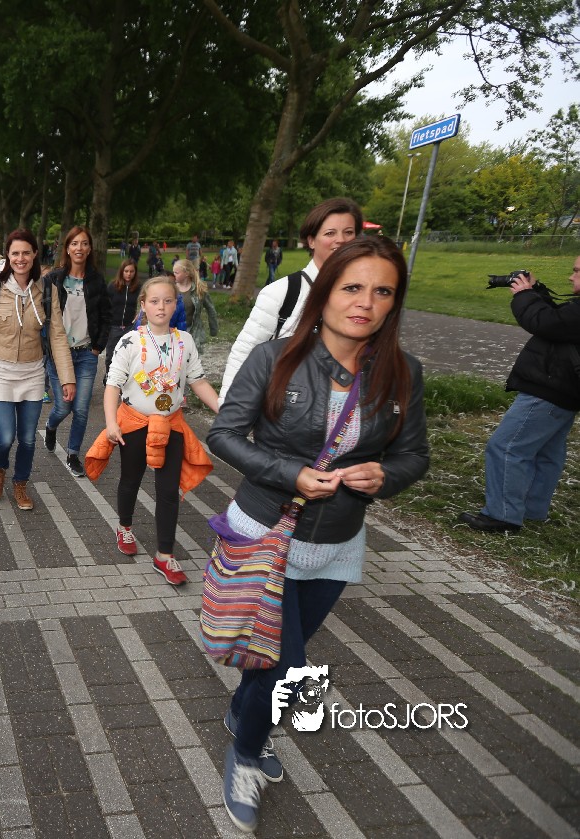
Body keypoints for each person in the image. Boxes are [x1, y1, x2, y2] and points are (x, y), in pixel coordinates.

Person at [206, 236, 429, 833]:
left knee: (269, 662)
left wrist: (385, 475)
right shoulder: (274, 358)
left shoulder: (403, 373)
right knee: (283, 667)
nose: (366, 303)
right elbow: (223, 435)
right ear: (326, 291)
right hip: (265, 531)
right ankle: (246, 756)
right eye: (352, 287)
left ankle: (242, 713)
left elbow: (414, 456)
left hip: (336, 545)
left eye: (383, 291)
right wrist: (291, 473)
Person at [85, 274, 219, 581]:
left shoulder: (184, 341)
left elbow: (198, 381)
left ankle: (165, 556)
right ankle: (125, 526)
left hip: (170, 424)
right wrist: (111, 423)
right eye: (155, 301)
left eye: (168, 301)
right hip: (134, 423)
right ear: (143, 304)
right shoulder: (130, 342)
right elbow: (112, 385)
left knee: (168, 490)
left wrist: (223, 410)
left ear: (176, 305)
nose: (161, 307)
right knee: (130, 480)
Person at [459, 258, 580, 532]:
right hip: (564, 393)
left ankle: (502, 515)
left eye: (576, 271)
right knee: (546, 453)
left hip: (547, 392)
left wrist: (524, 295)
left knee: (506, 447)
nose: (570, 277)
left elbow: (544, 322)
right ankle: (532, 510)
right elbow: (560, 323)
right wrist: (538, 292)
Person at [0, 229, 75, 511]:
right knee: (5, 437)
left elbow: (58, 336)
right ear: (8, 255)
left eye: (26, 252)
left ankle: (21, 483)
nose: (21, 258)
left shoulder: (48, 291)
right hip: (0, 372)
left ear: (35, 254)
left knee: (27, 438)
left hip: (33, 373)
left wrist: (67, 378)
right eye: (15, 253)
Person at [219, 197, 363, 404]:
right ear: (311, 241)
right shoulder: (283, 292)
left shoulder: (366, 296)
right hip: (284, 411)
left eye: (348, 232)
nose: (340, 240)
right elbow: (244, 351)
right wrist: (228, 408)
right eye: (330, 233)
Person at [41, 226, 111, 478]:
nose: (79, 248)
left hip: (86, 354)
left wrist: (97, 347)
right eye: (74, 243)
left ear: (89, 248)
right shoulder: (53, 279)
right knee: (63, 407)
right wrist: (46, 347)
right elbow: (42, 316)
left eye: (84, 243)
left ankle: (72, 454)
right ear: (67, 248)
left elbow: (106, 315)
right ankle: (51, 426)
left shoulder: (96, 280)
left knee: (81, 409)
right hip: (59, 354)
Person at [104, 259, 142, 383]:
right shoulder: (112, 286)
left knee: (128, 356)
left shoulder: (139, 288)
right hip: (114, 326)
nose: (129, 274)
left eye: (131, 271)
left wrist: (139, 314)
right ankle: (110, 378)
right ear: (121, 272)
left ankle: (125, 381)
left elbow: (144, 303)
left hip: (130, 327)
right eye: (126, 271)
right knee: (111, 355)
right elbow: (105, 305)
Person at [173, 258, 219, 352]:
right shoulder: (171, 289)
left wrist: (213, 329)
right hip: (173, 333)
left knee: (192, 359)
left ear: (186, 273)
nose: (174, 275)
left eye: (176, 273)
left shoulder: (199, 289)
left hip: (193, 333)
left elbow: (211, 309)